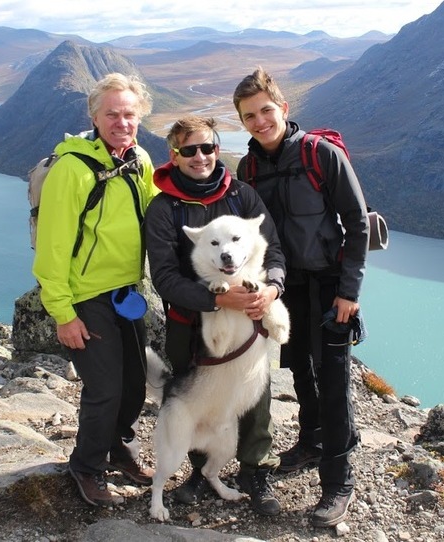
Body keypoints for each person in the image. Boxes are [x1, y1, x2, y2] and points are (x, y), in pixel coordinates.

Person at [232, 67, 370, 527]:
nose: (259, 121)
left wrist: (349, 292)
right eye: (249, 116)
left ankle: (338, 481)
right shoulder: (247, 169)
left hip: (330, 285)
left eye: (266, 111)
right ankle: (311, 442)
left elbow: (358, 222)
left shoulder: (320, 154)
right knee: (300, 371)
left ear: (284, 109)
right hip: (284, 289)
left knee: (333, 382)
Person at [144, 115, 287, 516]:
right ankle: (198, 470)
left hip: (251, 319)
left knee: (253, 394)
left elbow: (273, 251)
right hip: (191, 324)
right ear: (174, 155)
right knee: (197, 397)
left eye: (207, 147)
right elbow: (165, 277)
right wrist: (218, 301)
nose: (200, 157)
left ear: (216, 148)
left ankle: (256, 470)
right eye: (189, 150)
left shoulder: (241, 196)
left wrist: (273, 287)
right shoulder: (164, 209)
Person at [32, 72, 159, 507]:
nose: (122, 122)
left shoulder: (138, 159)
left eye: (129, 114)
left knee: (136, 385)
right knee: (105, 388)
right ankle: (86, 466)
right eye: (112, 114)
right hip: (86, 297)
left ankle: (118, 448)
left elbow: (156, 208)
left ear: (139, 116)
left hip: (126, 291)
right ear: (94, 116)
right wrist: (63, 313)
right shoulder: (72, 168)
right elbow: (52, 246)